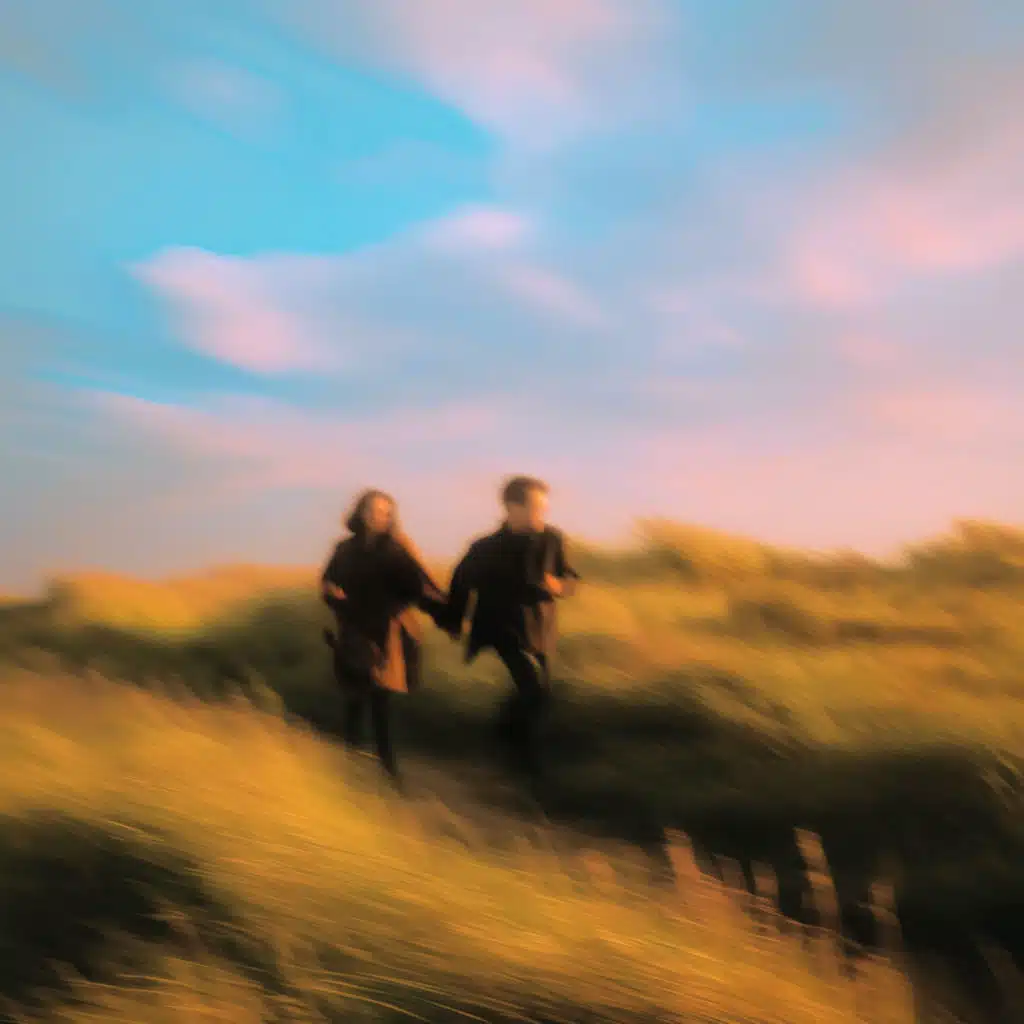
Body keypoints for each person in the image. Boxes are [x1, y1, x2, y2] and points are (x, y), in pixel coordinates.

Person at [440, 475, 580, 776]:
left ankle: (501, 738)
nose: (541, 515)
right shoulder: (485, 547)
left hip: (541, 629)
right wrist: (454, 621)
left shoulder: (552, 540)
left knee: (540, 695)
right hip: (501, 629)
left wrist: (558, 586)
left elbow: (570, 579)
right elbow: (460, 584)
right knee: (533, 689)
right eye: (535, 508)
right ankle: (525, 765)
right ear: (511, 507)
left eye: (544, 509)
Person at [320, 489, 446, 779]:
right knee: (354, 697)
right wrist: (332, 593)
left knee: (381, 699)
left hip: (388, 632)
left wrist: (445, 612)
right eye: (373, 511)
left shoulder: (397, 547)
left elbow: (420, 586)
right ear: (361, 513)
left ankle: (388, 770)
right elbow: (328, 581)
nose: (379, 517)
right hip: (354, 629)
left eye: (385, 513)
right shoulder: (344, 549)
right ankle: (350, 764)